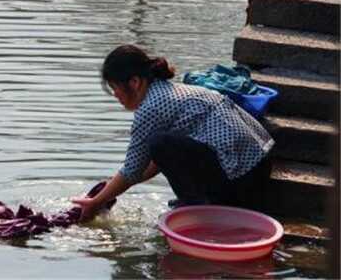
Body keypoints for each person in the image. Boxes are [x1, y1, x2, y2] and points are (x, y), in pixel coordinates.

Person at [72, 44, 274, 221]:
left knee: (159, 142)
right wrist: (110, 188)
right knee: (160, 145)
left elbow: (133, 169)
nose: (115, 95)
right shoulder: (170, 91)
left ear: (134, 82)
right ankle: (197, 201)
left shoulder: (151, 107)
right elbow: (150, 163)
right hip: (259, 164)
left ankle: (197, 209)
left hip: (243, 179)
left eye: (115, 88)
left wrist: (96, 203)